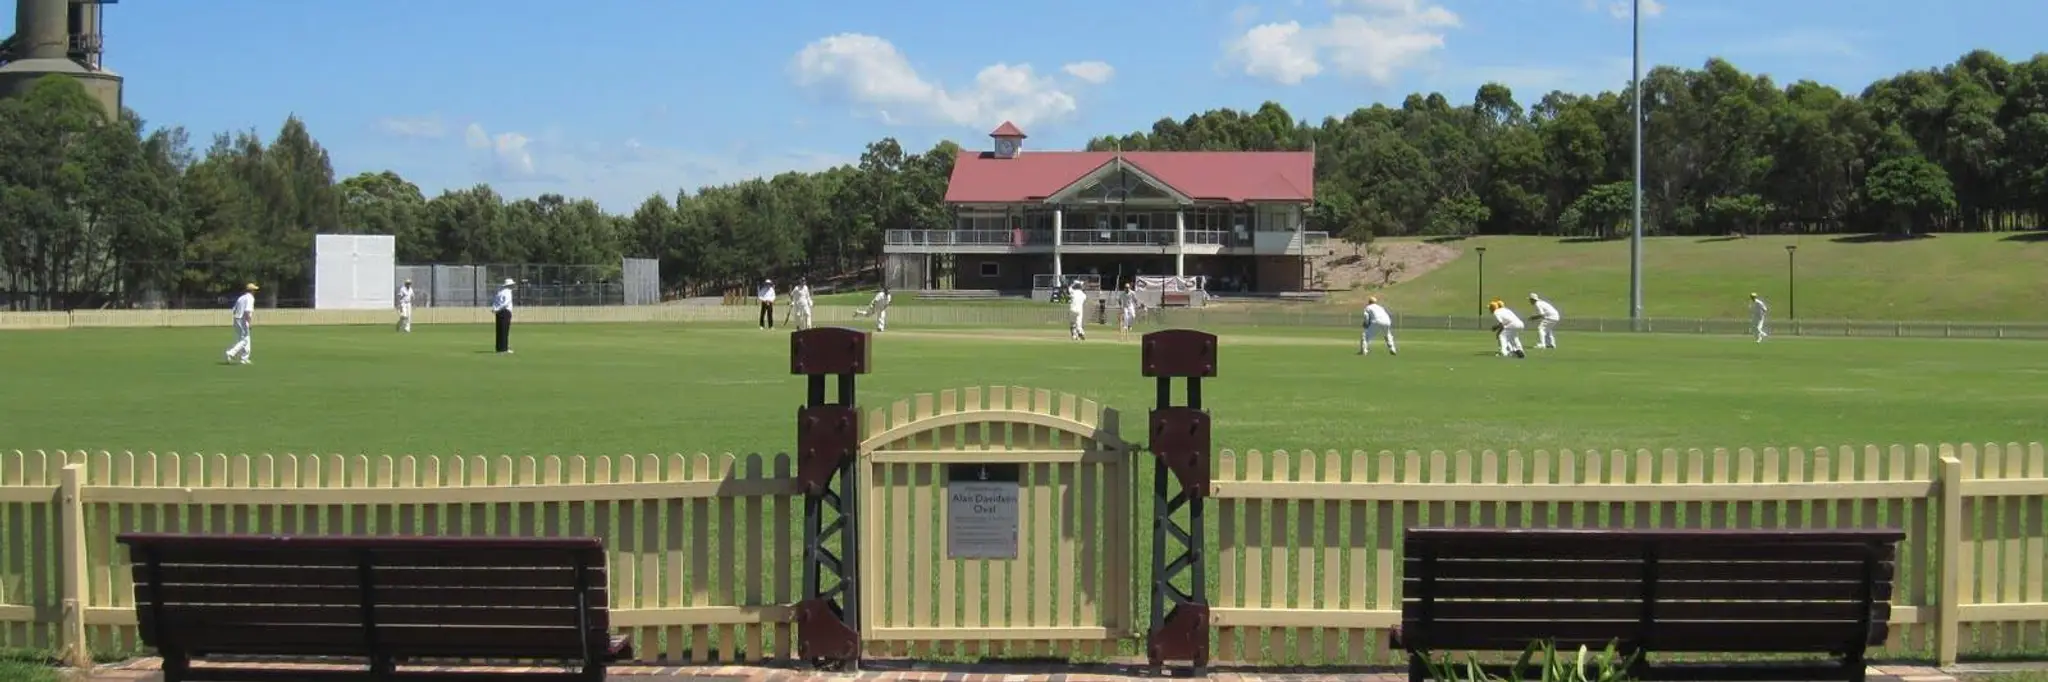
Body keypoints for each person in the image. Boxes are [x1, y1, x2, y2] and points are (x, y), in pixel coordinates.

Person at [223, 282, 257, 365]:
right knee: (244, 340)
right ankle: (231, 353)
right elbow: (247, 311)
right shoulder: (250, 298)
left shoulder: (241, 297)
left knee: (246, 338)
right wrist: (249, 322)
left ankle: (244, 358)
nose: (255, 292)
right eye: (254, 290)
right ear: (252, 291)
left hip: (237, 319)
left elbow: (234, 309)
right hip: (243, 319)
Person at [490, 278, 516, 354]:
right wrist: (498, 308)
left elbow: (495, 301)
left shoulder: (500, 292)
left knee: (499, 330)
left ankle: (499, 348)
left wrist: (494, 309)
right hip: (505, 312)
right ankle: (504, 348)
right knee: (504, 330)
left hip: (499, 312)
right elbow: (506, 303)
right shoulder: (508, 292)